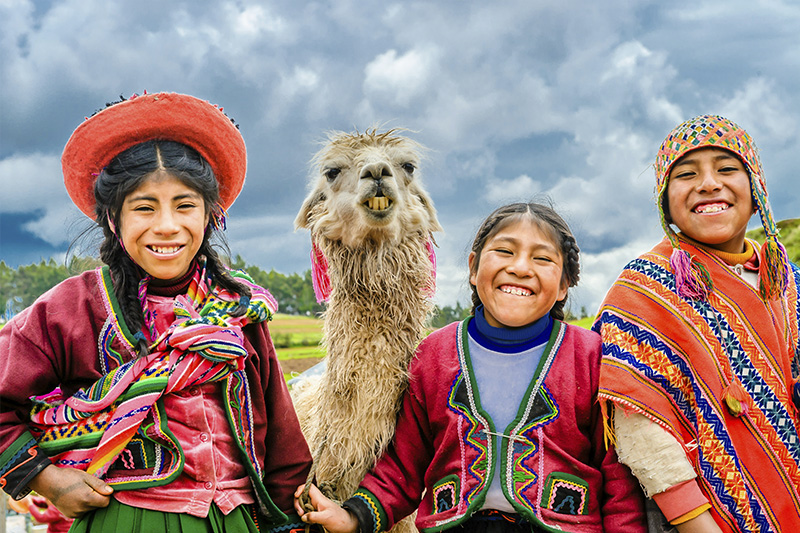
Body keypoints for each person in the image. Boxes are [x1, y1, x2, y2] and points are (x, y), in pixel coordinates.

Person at [0, 91, 312, 532]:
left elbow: (282, 440)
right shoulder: (72, 309)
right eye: (144, 207)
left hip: (238, 519)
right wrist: (46, 480)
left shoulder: (238, 312)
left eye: (184, 205)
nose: (167, 225)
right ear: (114, 218)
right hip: (126, 519)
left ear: (210, 216)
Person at [295, 202, 647, 532]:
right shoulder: (435, 356)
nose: (520, 267)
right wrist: (352, 516)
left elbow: (617, 476)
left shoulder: (589, 358)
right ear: (474, 268)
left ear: (564, 287)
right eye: (505, 251)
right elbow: (403, 466)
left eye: (542, 258)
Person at [593, 115, 800, 532]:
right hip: (691, 519)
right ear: (664, 200)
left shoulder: (788, 283)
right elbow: (640, 427)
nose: (709, 184)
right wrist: (695, 523)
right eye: (687, 174)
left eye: (727, 169)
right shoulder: (642, 292)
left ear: (755, 187)